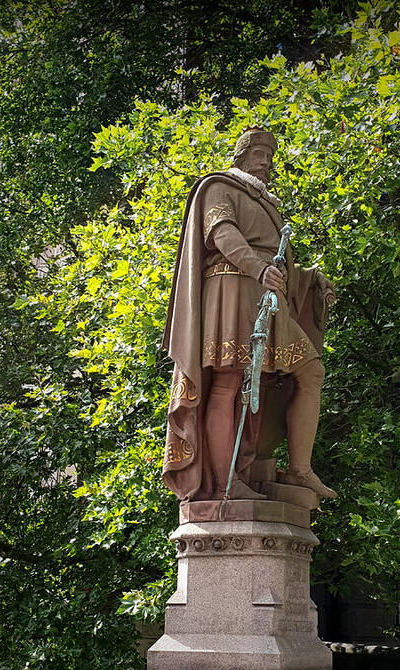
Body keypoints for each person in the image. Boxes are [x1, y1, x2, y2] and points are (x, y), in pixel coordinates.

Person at [162, 126, 336, 501]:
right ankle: (228, 484)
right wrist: (257, 268)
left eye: (271, 157)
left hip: (268, 297)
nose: (267, 163)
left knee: (310, 371)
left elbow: (276, 258)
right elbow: (223, 235)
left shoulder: (266, 203)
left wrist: (311, 280)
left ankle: (299, 470)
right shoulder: (218, 187)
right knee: (228, 383)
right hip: (233, 289)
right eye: (261, 155)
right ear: (242, 155)